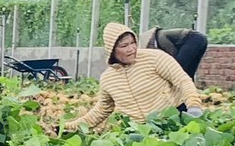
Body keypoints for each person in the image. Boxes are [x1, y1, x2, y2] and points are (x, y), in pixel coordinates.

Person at [72, 22, 200, 129]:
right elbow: (101, 110)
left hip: (171, 122)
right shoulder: (108, 78)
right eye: (124, 46)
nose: (131, 49)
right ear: (112, 49)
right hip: (139, 131)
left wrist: (193, 106)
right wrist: (68, 127)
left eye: (133, 43)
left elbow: (183, 81)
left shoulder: (155, 58)